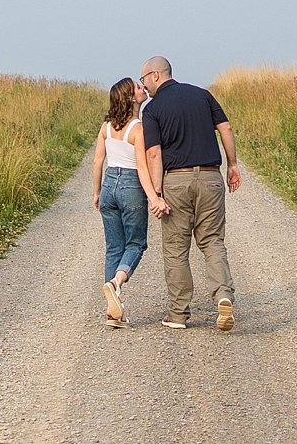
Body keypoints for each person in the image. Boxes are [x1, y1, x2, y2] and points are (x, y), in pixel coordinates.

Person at [135, 55, 239, 331]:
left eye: (143, 79)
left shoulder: (153, 109)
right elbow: (225, 128)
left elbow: (154, 153)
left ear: (156, 75)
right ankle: (223, 296)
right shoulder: (203, 95)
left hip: (176, 182)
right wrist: (233, 165)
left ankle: (178, 314)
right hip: (210, 177)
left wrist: (156, 193)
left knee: (176, 249)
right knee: (213, 242)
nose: (143, 86)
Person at [86, 77, 148, 326]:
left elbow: (97, 161)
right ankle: (115, 282)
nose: (142, 88)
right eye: (137, 87)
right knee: (136, 244)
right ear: (130, 98)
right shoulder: (138, 129)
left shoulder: (106, 127)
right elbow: (142, 166)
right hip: (131, 184)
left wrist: (97, 192)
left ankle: (114, 310)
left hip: (110, 183)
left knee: (113, 247)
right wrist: (154, 195)